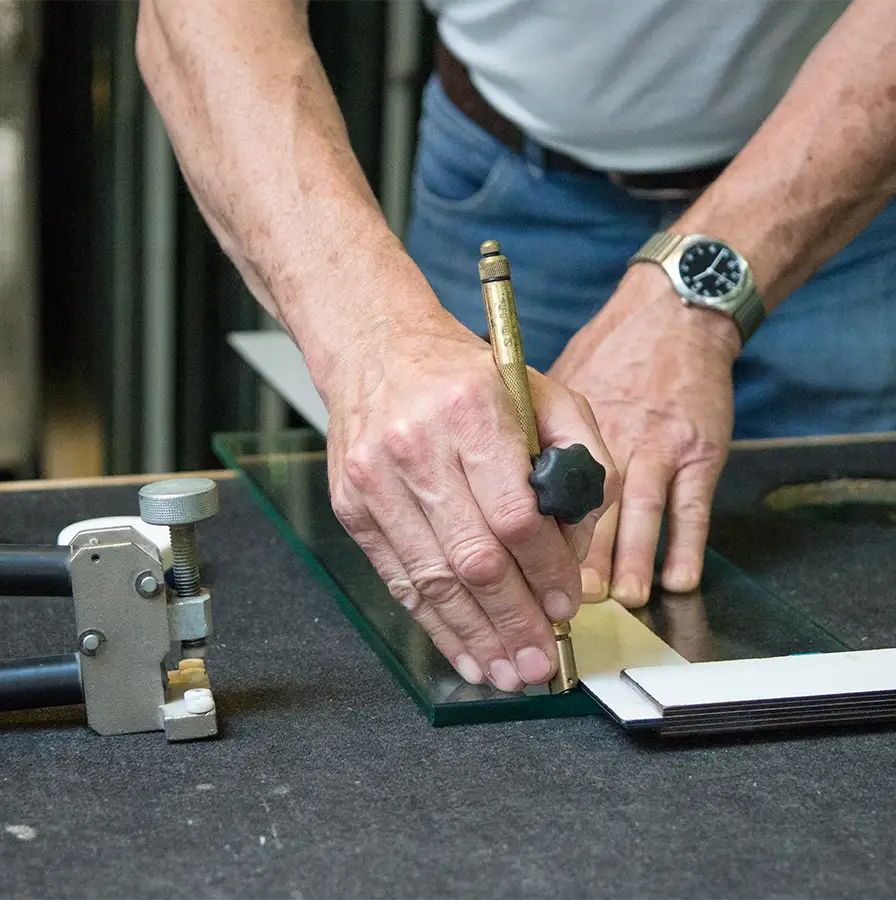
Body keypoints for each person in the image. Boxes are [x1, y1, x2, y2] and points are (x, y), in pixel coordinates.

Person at [135, 1, 896, 692]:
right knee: (476, 546)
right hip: (505, 166)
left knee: (843, 635)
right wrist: (374, 339)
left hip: (846, 173)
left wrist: (698, 299)